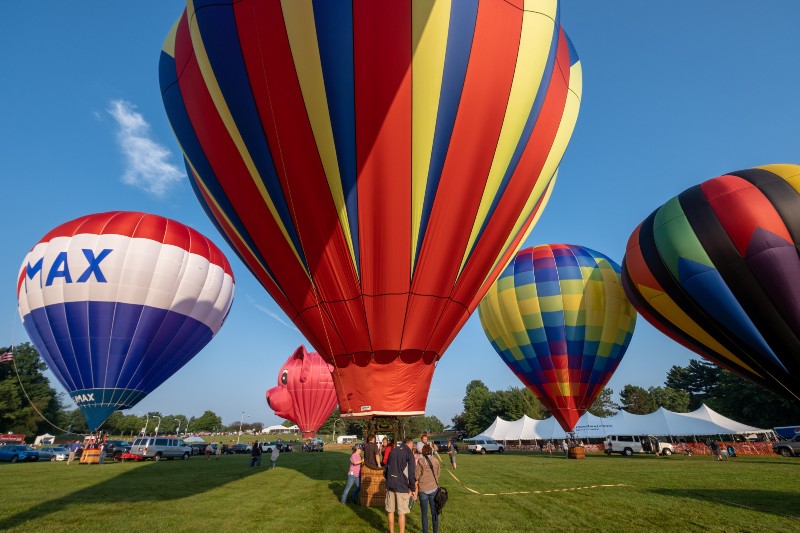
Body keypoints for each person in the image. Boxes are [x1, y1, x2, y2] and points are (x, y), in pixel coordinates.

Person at [385, 437, 417, 533]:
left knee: (390, 511)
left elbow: (386, 468)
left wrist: (388, 480)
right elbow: (411, 474)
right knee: (401, 513)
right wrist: (413, 489)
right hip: (402, 486)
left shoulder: (393, 451)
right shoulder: (409, 454)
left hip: (390, 484)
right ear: (410, 444)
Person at [416, 444, 441, 533]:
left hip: (423, 489)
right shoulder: (435, 460)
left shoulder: (420, 461)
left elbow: (416, 475)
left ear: (423, 452)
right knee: (434, 513)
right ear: (431, 451)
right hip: (434, 488)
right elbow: (438, 473)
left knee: (424, 514)